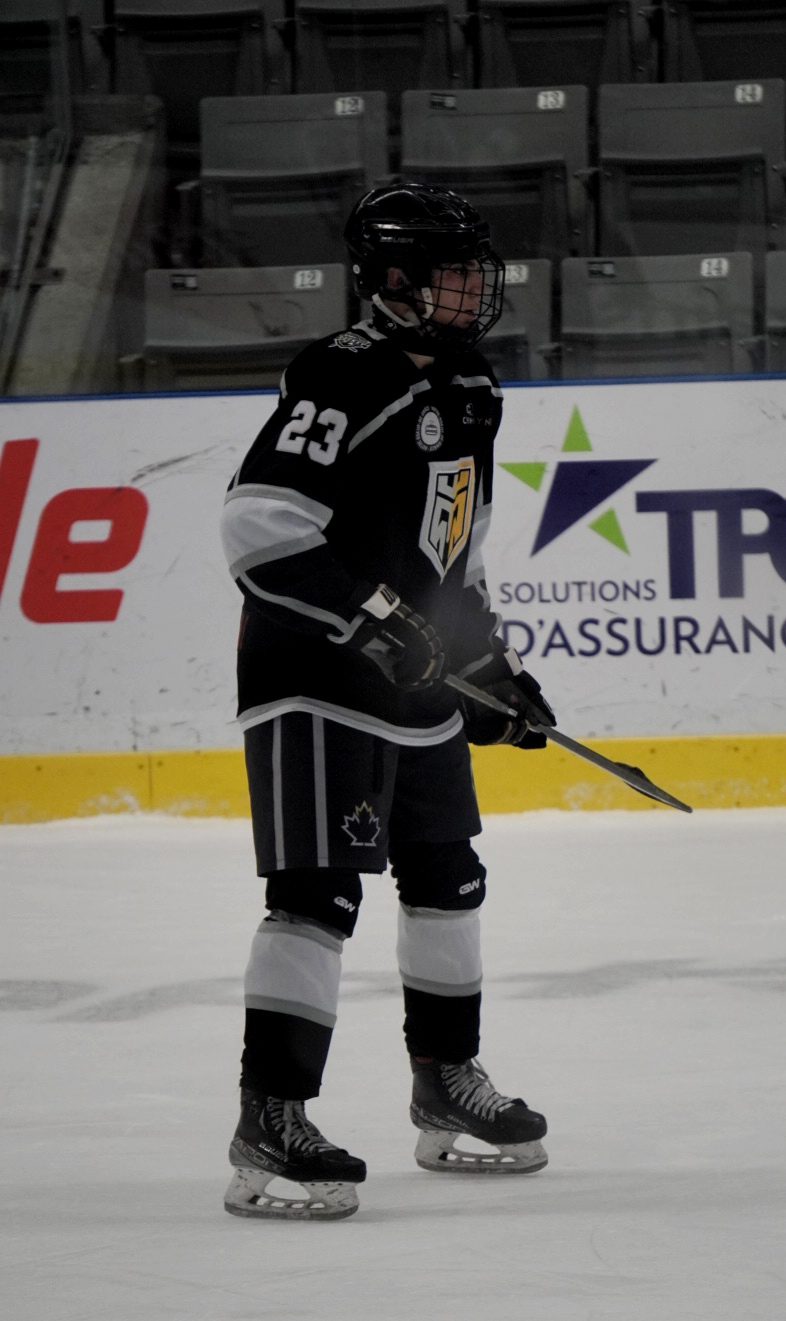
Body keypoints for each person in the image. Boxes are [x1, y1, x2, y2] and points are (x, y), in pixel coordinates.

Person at [219, 182, 556, 1221]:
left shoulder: (472, 387)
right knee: (317, 897)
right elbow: (261, 529)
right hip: (314, 679)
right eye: (454, 272)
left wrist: (489, 665)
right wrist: (371, 618)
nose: (475, 289)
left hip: (416, 681)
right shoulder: (341, 375)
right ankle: (271, 1118)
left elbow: (458, 548)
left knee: (451, 879)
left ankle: (445, 1081)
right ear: (394, 280)